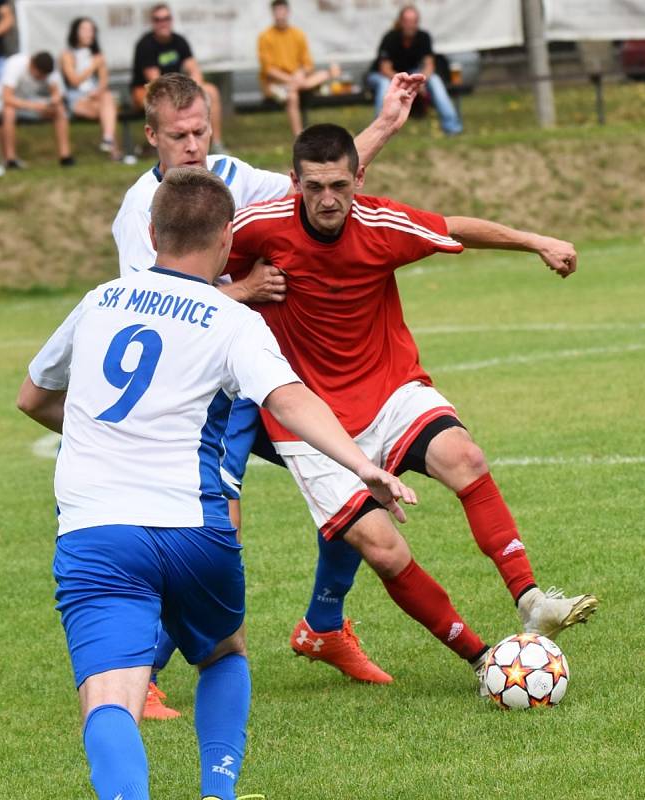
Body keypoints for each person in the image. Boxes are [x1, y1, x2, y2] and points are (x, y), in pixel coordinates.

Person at [17, 165, 415, 800]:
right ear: (229, 240)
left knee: (109, 697)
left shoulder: (99, 300)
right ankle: (217, 793)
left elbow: (33, 396)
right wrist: (363, 464)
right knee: (224, 651)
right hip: (192, 527)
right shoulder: (231, 319)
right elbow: (288, 399)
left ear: (151, 232)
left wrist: (102, 427)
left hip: (95, 531)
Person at [225, 123, 599, 686]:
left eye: (341, 185)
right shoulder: (256, 227)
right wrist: (244, 289)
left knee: (466, 458)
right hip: (305, 415)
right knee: (382, 547)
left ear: (360, 178)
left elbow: (456, 228)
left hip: (388, 388)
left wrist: (537, 241)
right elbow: (185, 277)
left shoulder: (380, 223)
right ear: (295, 181)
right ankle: (486, 663)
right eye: (316, 186)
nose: (329, 199)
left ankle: (530, 599)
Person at [112, 71, 427, 717]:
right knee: (209, 532)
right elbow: (150, 310)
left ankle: (325, 626)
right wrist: (242, 293)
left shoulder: (228, 173)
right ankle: (140, 673)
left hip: (260, 381)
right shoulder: (138, 214)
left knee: (349, 478)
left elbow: (317, 183)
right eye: (179, 136)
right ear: (152, 137)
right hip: (200, 400)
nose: (194, 145)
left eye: (201, 130)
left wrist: (387, 122)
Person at [130, 3, 226, 152]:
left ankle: (216, 144)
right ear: (152, 22)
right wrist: (181, 92)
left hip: (176, 87)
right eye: (158, 19)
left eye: (166, 18)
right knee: (167, 100)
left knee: (210, 91)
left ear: (171, 20)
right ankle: (169, 145)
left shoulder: (179, 41)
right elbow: (156, 81)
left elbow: (194, 69)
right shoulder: (145, 45)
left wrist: (195, 89)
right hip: (147, 91)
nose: (163, 23)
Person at [366, 4, 462, 136]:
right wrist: (407, 81)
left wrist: (421, 80)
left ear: (417, 23)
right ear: (400, 22)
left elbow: (429, 65)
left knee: (434, 79)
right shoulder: (390, 38)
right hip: (381, 76)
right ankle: (379, 131)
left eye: (413, 21)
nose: (410, 25)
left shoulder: (423, 37)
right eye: (407, 21)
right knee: (384, 84)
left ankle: (452, 127)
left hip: (409, 74)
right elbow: (385, 69)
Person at [257, 0, 340, 137]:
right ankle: (299, 137)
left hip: (297, 80)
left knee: (314, 78)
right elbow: (268, 70)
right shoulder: (265, 37)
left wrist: (300, 74)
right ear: (272, 13)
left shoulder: (298, 34)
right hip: (275, 85)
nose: (280, 15)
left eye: (282, 10)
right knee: (293, 96)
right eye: (277, 11)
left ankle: (312, 81)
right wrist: (292, 79)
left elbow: (308, 65)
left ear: (288, 12)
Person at [0, 51, 74, 169]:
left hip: (29, 102)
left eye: (44, 77)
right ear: (32, 64)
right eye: (39, 76)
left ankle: (65, 156)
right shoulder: (15, 64)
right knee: (9, 111)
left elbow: (58, 93)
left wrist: (53, 101)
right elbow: (7, 98)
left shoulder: (50, 69)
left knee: (59, 109)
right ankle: (10, 159)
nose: (42, 79)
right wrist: (35, 106)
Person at [61, 17, 119, 159]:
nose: (88, 33)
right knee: (108, 110)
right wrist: (93, 65)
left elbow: (104, 80)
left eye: (91, 30)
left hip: (95, 97)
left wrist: (97, 91)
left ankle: (107, 139)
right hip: (76, 98)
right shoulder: (67, 55)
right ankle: (114, 151)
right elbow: (74, 81)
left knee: (107, 98)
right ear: (75, 32)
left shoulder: (97, 55)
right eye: (84, 29)